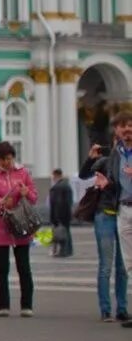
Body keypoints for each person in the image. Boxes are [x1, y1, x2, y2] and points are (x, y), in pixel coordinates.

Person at [0, 140, 38, 317]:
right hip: (0, 226)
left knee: (24, 267)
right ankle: (3, 305)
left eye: (9, 158)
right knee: (2, 267)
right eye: (3, 159)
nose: (7, 162)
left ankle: (27, 305)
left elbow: (34, 197)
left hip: (21, 224)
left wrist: (27, 193)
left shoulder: (23, 173)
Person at [82, 126, 131, 323]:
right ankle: (105, 309)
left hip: (121, 213)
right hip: (105, 214)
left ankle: (122, 308)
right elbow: (84, 174)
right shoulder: (105, 160)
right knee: (106, 264)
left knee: (123, 265)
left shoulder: (125, 161)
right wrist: (91, 158)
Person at [48, 168, 74, 258]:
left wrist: (56, 217)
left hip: (59, 214)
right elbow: (69, 201)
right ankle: (68, 250)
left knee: (61, 234)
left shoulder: (57, 187)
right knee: (66, 231)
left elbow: (57, 203)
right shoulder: (67, 185)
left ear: (56, 175)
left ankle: (63, 251)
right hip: (67, 213)